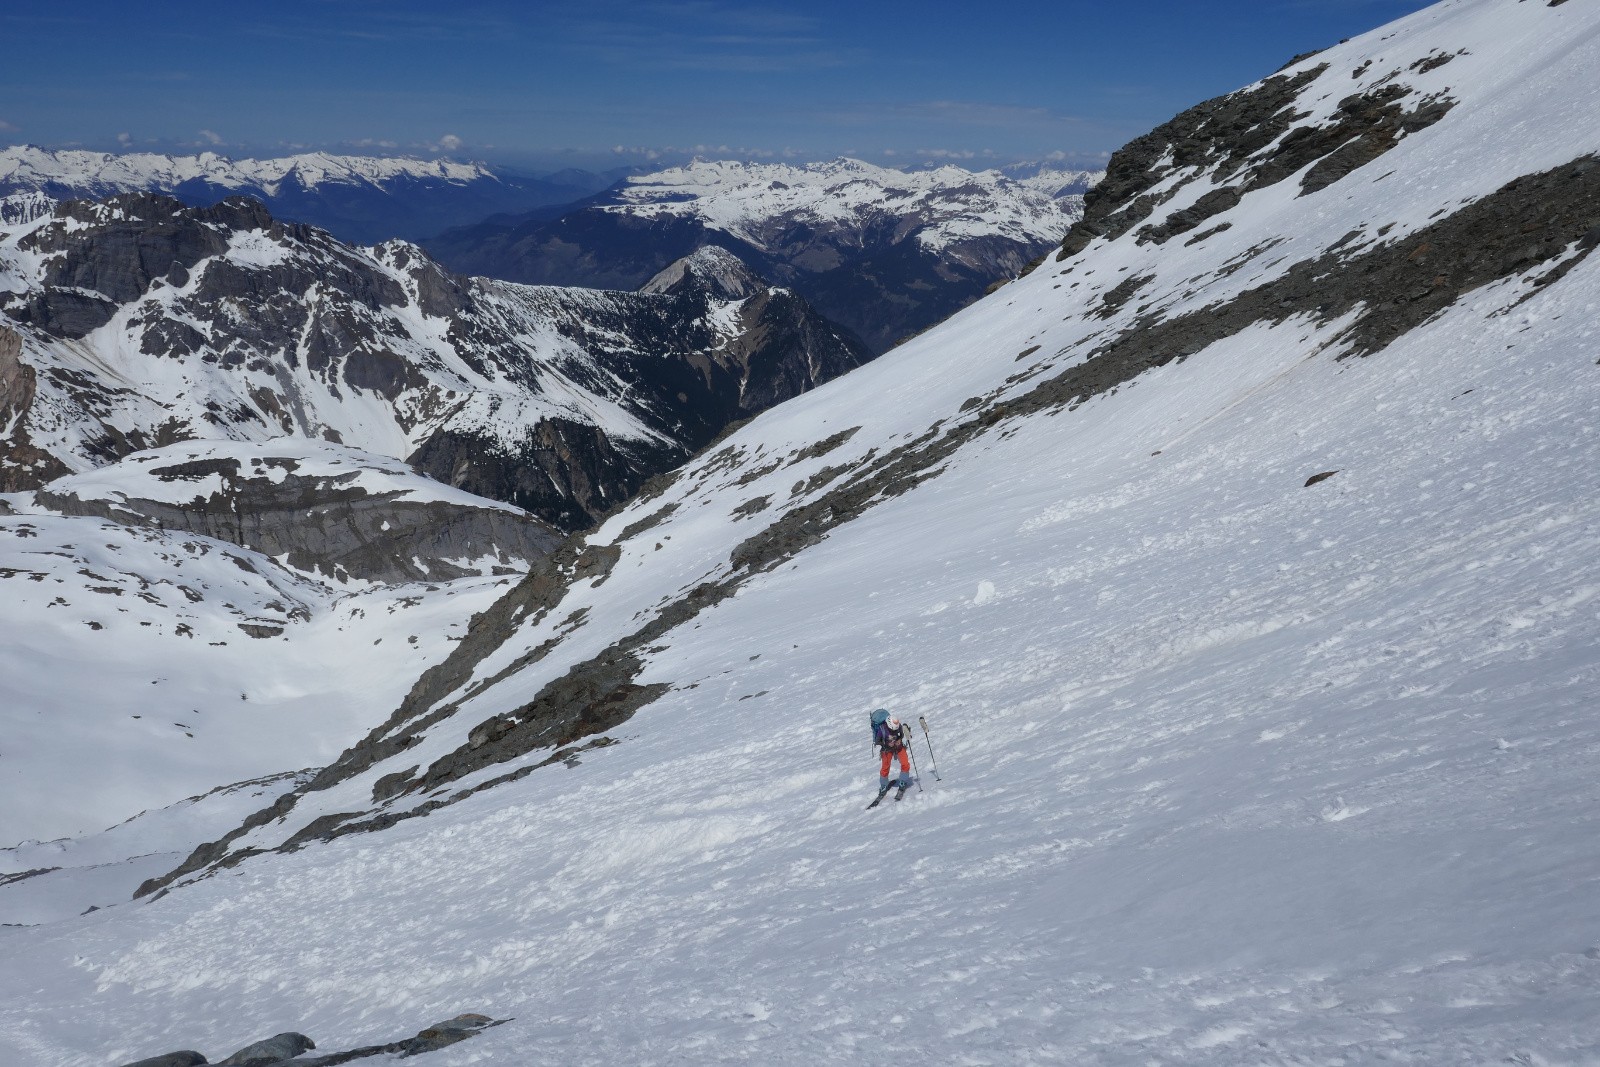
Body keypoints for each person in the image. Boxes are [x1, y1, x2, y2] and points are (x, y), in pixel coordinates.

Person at [870, 708, 914, 797]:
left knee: (905, 763)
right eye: (892, 730)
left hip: (899, 747)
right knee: (885, 767)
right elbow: (878, 741)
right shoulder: (882, 729)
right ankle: (883, 785)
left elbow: (901, 734)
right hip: (886, 750)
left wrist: (899, 740)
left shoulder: (898, 726)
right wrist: (887, 744)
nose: (894, 731)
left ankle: (903, 781)